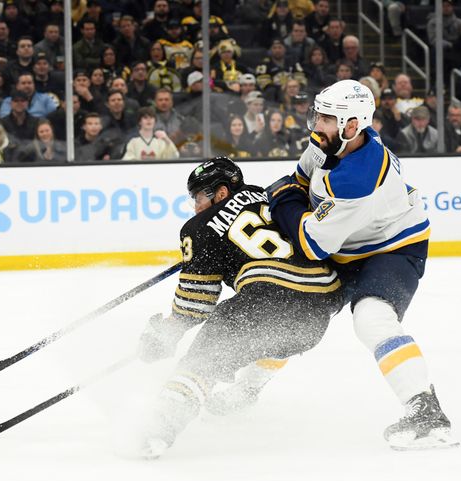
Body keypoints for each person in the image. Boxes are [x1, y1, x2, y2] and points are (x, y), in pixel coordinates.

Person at [266, 80, 458, 450]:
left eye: (325, 118)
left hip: (392, 249)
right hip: (347, 246)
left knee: (372, 317)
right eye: (317, 115)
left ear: (352, 125)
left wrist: (281, 202)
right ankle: (246, 390)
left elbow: (312, 243)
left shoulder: (360, 178)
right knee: (296, 314)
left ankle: (425, 410)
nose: (314, 125)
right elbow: (299, 181)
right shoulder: (331, 142)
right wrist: (281, 197)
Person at [134, 157, 342, 458]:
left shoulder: (199, 227)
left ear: (220, 193)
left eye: (199, 197)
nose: (195, 206)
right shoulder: (266, 195)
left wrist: (165, 333)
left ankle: (159, 428)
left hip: (266, 303)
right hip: (319, 312)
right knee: (271, 336)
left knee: (203, 361)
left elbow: (195, 303)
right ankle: (246, 392)